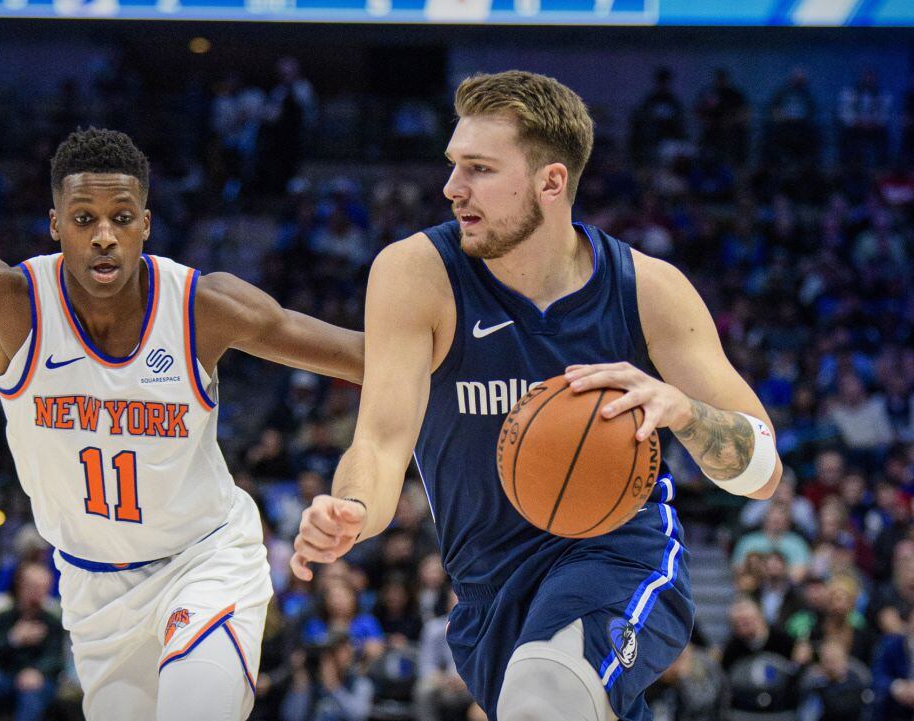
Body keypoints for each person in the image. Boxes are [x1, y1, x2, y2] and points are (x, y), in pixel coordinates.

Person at [292, 70, 783, 721]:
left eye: (479, 169)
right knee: (544, 694)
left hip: (621, 555)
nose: (451, 188)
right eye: (453, 165)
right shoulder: (415, 274)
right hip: (491, 593)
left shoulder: (649, 290)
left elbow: (766, 471)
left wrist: (688, 414)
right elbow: (381, 440)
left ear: (552, 182)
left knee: (544, 694)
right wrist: (351, 506)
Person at [0, 127, 364, 721]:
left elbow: (361, 357)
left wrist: (468, 352)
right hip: (93, 589)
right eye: (84, 219)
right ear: (56, 224)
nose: (105, 237)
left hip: (205, 561)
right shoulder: (9, 300)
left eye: (122, 217)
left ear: (146, 223)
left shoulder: (202, 306)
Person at [0, 563, 64, 721]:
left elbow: (56, 658)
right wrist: (14, 639)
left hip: (40, 679)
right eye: (34, 586)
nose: (39, 592)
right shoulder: (5, 616)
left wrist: (37, 672)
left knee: (31, 693)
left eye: (43, 587)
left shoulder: (52, 621)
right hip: (7, 676)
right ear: (21, 586)